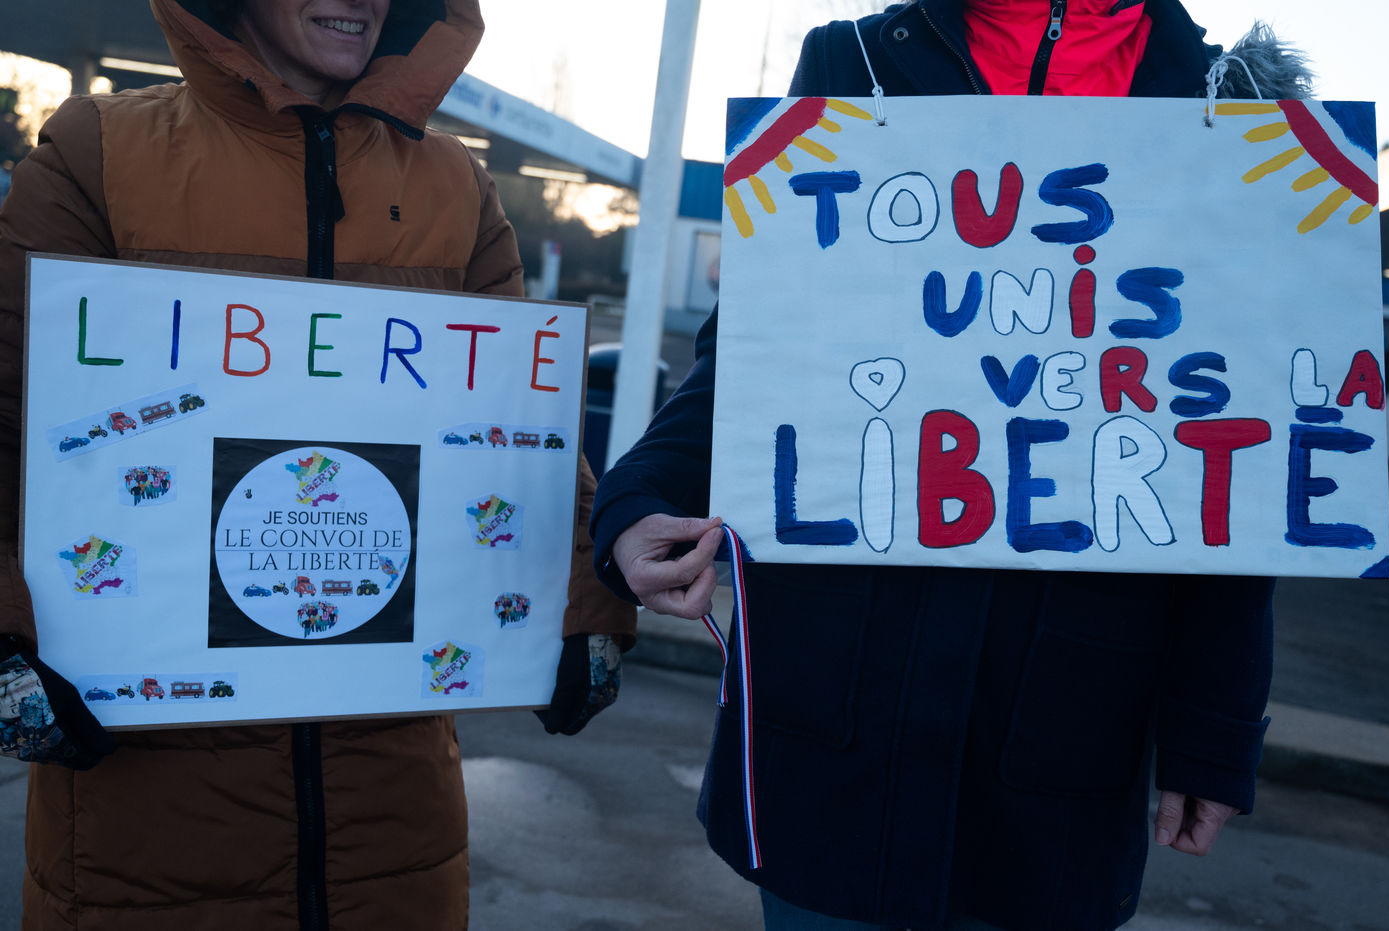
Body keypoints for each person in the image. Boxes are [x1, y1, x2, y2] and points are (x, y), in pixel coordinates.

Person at [591, 2, 1310, 929]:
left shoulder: (1229, 108)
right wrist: (639, 497)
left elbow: (1230, 451)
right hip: (833, 719)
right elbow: (762, 344)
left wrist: (1215, 727)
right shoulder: (852, 62)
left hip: (1061, 747)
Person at [0, 0, 633, 926]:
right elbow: (9, 405)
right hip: (148, 818)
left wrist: (583, 605)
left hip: (393, 815)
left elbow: (522, 428)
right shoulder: (100, 151)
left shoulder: (456, 184)